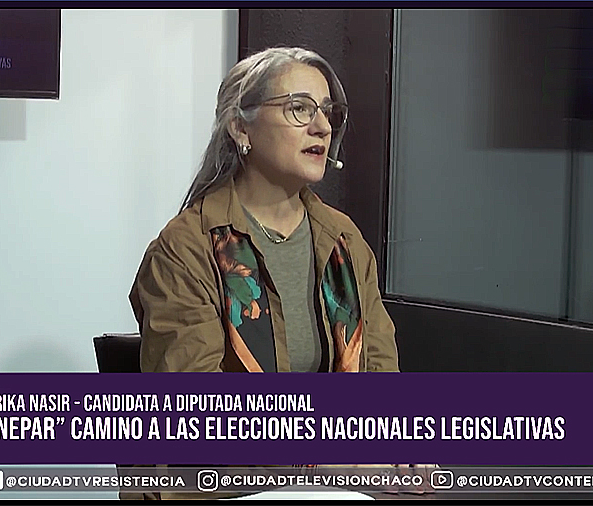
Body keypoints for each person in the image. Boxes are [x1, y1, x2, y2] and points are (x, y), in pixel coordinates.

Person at [124, 46, 400, 500]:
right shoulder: (186, 249)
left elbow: (381, 379)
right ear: (241, 127)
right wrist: (321, 462)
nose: (322, 126)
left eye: (328, 112)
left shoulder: (343, 240)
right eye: (299, 108)